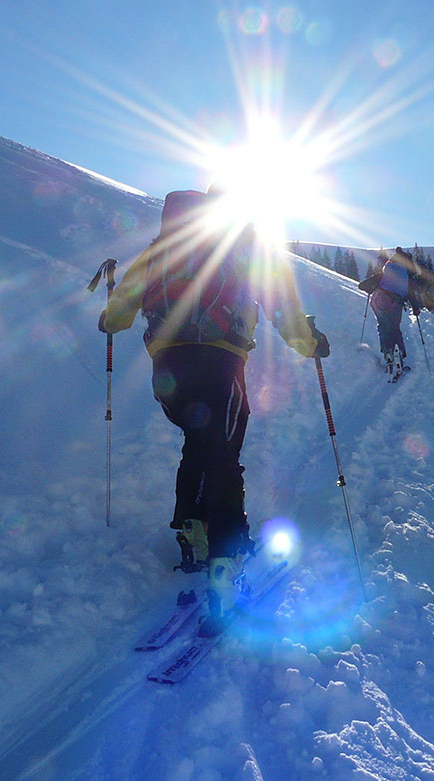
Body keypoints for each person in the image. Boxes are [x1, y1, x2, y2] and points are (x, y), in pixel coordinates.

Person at [98, 187, 329, 635]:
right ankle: (226, 562)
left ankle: (193, 531)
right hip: (221, 363)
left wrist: (109, 317)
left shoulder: (163, 248)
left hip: (168, 372)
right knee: (223, 455)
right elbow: (283, 309)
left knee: (199, 443)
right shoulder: (246, 249)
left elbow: (120, 311)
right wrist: (311, 343)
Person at [358, 246, 423, 377]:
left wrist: (371, 289)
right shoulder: (406, 276)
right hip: (394, 303)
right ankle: (398, 355)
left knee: (383, 326)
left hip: (378, 301)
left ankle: (387, 352)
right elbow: (411, 295)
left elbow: (362, 285)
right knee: (394, 329)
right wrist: (416, 309)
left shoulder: (386, 271)